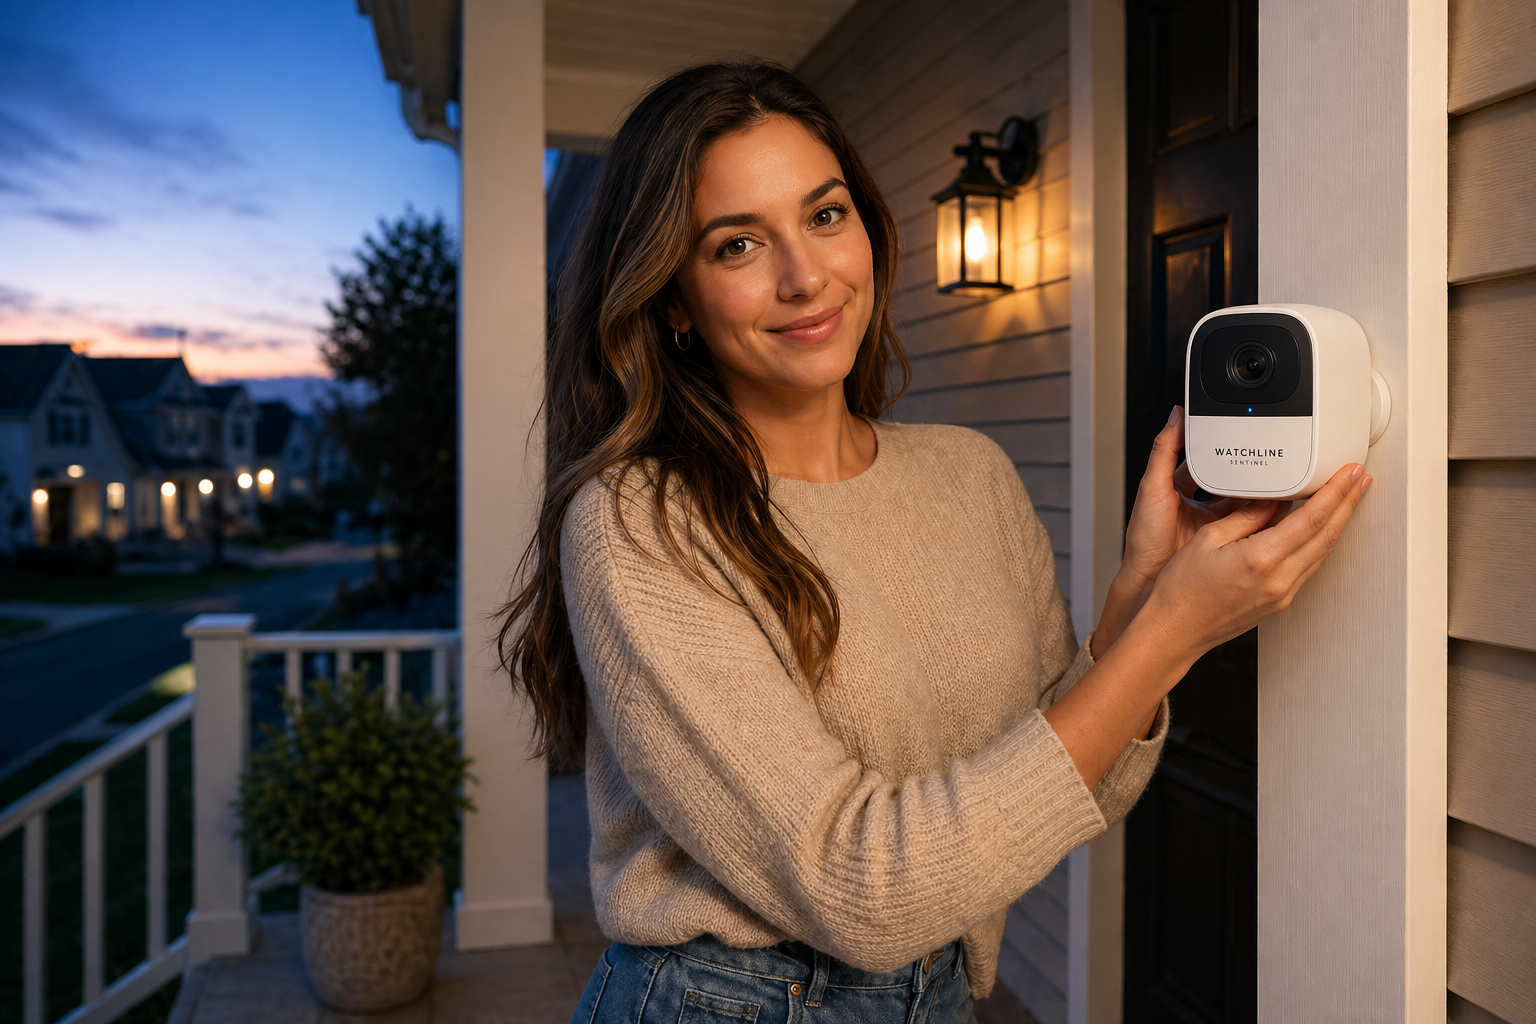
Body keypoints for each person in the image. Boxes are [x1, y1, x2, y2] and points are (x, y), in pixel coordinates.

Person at [498, 62, 1369, 1024]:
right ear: (672, 297)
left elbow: (1080, 773)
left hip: (941, 996)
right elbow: (862, 895)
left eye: (825, 215)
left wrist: (1144, 590)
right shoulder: (642, 522)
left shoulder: (969, 473)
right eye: (738, 244)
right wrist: (1174, 631)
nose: (805, 276)